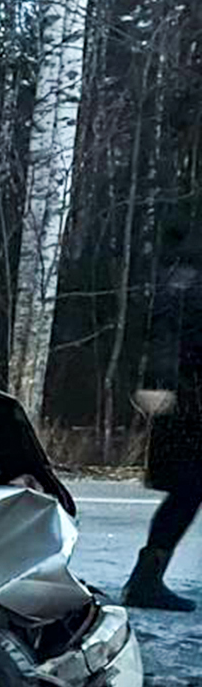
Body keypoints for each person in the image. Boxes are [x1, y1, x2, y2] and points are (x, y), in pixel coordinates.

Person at [124, 221, 202, 611]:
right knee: (188, 489)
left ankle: (146, 578)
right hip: (190, 401)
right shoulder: (187, 281)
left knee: (187, 491)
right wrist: (160, 382)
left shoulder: (180, 276)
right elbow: (167, 333)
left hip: (186, 398)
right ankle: (145, 580)